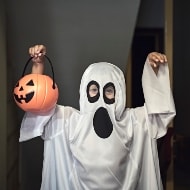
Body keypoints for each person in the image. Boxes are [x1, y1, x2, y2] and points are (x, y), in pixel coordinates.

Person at [19, 44, 176, 190]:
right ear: (84, 92)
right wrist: (38, 66)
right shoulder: (68, 121)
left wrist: (154, 72)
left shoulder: (133, 122)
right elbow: (38, 106)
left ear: (119, 94)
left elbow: (159, 112)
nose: (101, 96)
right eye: (94, 90)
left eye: (109, 90)